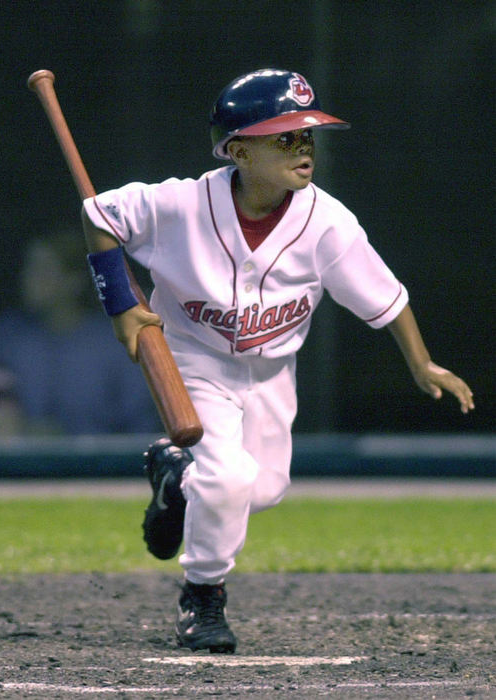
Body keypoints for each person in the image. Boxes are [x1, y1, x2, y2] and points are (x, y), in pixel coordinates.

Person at [81, 68, 475, 653]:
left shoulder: (328, 224)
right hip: (194, 359)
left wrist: (422, 364)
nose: (303, 148)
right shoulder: (181, 205)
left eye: (308, 136)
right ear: (238, 150)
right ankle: (203, 599)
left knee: (261, 489)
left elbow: (387, 298)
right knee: (230, 477)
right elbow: (100, 217)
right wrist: (122, 307)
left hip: (271, 372)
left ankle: (177, 478)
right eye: (285, 138)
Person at [0, 230, 160, 435]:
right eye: (29, 268)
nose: (28, 278)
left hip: (104, 464)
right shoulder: (11, 338)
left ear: (74, 281)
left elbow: (140, 426)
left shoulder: (116, 343)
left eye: (42, 270)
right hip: (22, 464)